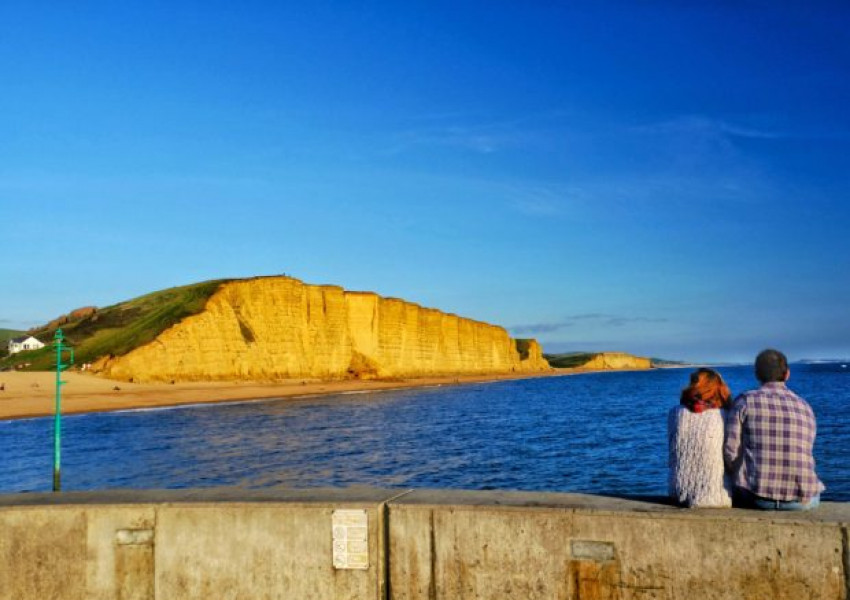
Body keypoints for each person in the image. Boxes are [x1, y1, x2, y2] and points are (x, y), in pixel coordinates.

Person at [724, 349, 824, 510]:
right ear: (787, 374)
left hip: (757, 497)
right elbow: (807, 449)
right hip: (802, 501)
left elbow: (731, 451)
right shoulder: (805, 406)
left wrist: (737, 475)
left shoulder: (745, 401)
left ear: (757, 374)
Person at [668, 368, 733, 507]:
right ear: (718, 388)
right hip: (717, 496)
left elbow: (673, 452)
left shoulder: (675, 413)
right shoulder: (725, 415)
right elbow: (731, 456)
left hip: (677, 492)